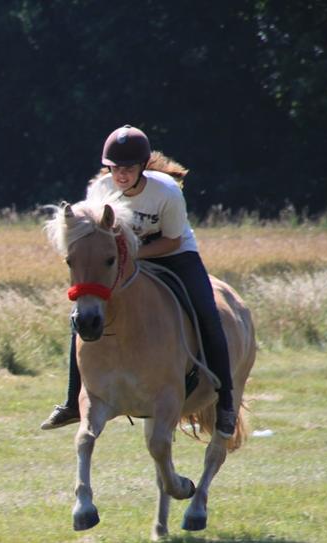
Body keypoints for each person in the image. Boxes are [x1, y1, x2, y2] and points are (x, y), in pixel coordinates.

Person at [40, 125, 237, 438]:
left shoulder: (167, 193)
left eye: (128, 168)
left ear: (143, 166)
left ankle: (226, 402)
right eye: (115, 167)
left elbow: (172, 240)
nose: (121, 174)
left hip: (174, 254)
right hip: (122, 260)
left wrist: (133, 256)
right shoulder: (101, 190)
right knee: (83, 313)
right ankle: (71, 402)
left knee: (207, 312)